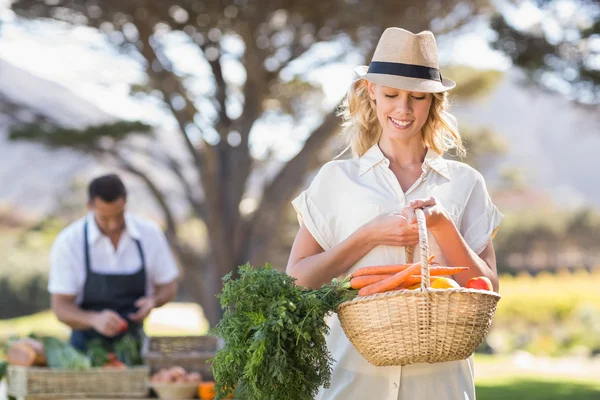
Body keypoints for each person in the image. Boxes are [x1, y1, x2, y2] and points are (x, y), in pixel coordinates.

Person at [286, 28, 503, 400]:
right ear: (370, 91)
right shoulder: (336, 179)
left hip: (440, 384)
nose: (403, 109)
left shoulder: (465, 182)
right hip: (352, 381)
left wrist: (444, 229)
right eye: (391, 95)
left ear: (434, 101)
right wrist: (368, 236)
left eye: (417, 97)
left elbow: (488, 291)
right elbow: (297, 280)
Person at [48, 173, 179, 351]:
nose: (113, 225)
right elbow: (61, 306)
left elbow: (168, 287)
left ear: (125, 202)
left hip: (136, 347)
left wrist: (153, 301)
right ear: (89, 206)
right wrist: (93, 319)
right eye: (104, 217)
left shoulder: (150, 234)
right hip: (86, 350)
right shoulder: (69, 241)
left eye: (118, 215)